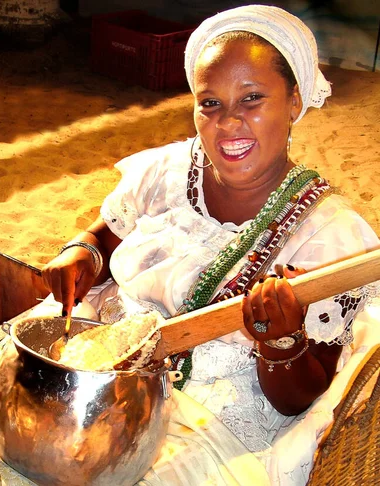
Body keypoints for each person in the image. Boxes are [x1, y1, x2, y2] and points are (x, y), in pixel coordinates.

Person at [39, 4, 380, 482]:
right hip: (107, 361)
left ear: (294, 102)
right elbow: (105, 235)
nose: (228, 121)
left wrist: (281, 341)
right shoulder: (168, 172)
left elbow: (296, 401)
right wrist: (83, 251)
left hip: (212, 414)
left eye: (253, 98)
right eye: (210, 102)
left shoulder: (328, 236)